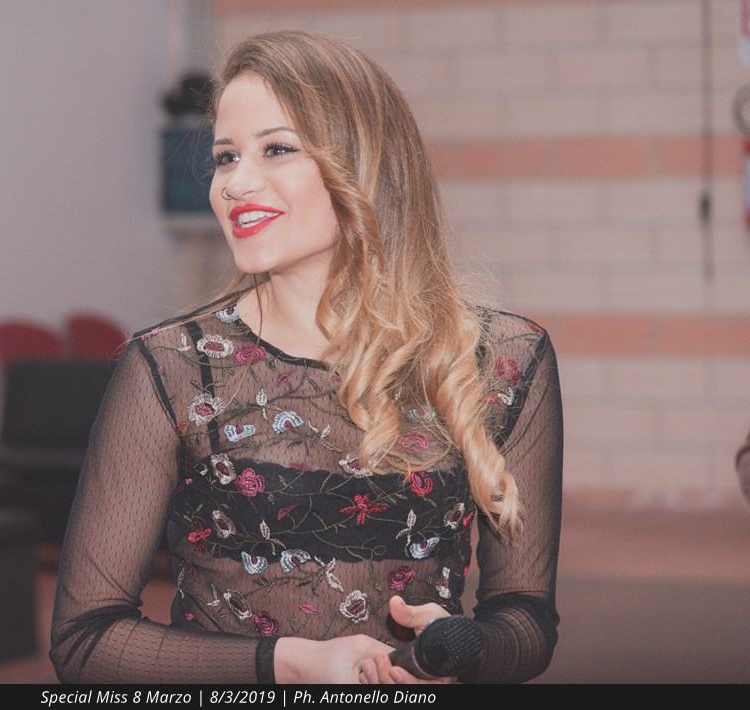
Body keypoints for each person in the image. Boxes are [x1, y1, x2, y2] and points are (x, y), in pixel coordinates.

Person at [50, 29, 563, 685]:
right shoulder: (175, 367)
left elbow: (526, 619)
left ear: (365, 164)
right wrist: (285, 664)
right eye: (226, 157)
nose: (235, 183)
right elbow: (85, 642)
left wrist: (463, 647)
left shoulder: (500, 360)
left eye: (277, 149)